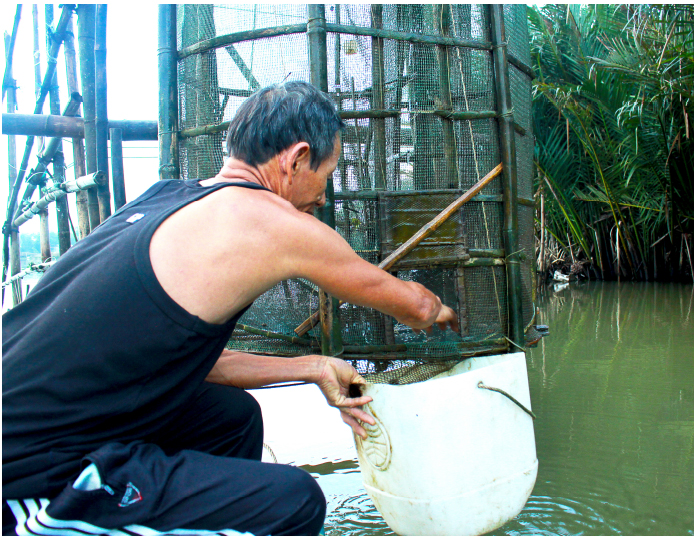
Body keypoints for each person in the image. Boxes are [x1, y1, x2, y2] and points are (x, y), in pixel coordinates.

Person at [2, 80, 459, 536]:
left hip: (41, 426)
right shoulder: (272, 222)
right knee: (294, 502)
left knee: (230, 417)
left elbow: (188, 365)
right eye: (325, 175)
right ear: (297, 159)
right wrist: (446, 313)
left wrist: (315, 366)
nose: (322, 197)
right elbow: (414, 308)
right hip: (31, 478)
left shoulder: (166, 196)